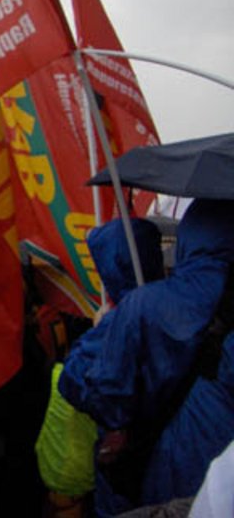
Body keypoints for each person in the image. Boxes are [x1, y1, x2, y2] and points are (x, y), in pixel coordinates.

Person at [59, 199, 234, 516]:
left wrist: (120, 423)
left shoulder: (144, 305)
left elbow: (98, 389)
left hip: (159, 461)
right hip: (219, 458)